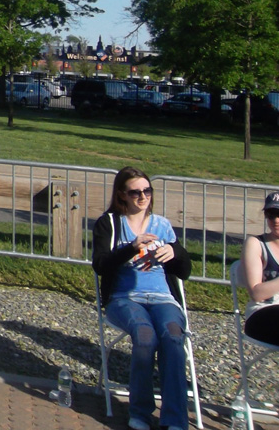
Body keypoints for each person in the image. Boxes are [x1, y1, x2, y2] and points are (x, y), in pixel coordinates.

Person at [92, 166, 193, 430]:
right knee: (145, 334)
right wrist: (130, 248)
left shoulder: (162, 225)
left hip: (162, 297)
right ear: (122, 195)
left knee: (172, 336)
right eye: (135, 192)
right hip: (124, 297)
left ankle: (174, 420)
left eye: (147, 190)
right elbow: (100, 265)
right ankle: (140, 413)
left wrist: (175, 252)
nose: (142, 197)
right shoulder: (110, 224)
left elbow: (185, 271)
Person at [240, 190, 279, 417]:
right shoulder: (256, 244)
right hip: (263, 312)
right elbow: (256, 292)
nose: (276, 220)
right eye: (271, 214)